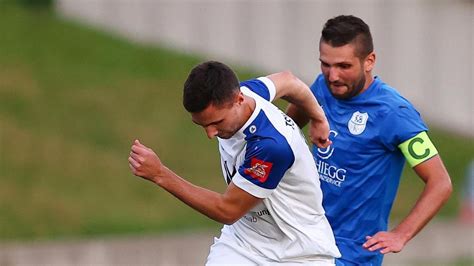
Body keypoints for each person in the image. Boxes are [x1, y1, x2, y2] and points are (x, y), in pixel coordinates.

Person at [128, 61, 341, 265]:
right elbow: (288, 80)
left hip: (299, 254)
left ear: (238, 100)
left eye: (216, 122)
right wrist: (318, 117)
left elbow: (227, 210)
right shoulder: (248, 93)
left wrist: (160, 174)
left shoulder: (270, 146)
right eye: (201, 125)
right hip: (243, 244)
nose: (210, 134)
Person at [286, 15, 453, 265]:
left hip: (350, 254)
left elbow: (440, 182)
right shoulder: (322, 87)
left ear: (369, 61)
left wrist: (401, 235)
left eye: (343, 66)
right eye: (325, 64)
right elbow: (285, 131)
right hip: (303, 237)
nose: (332, 76)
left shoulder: (395, 113)